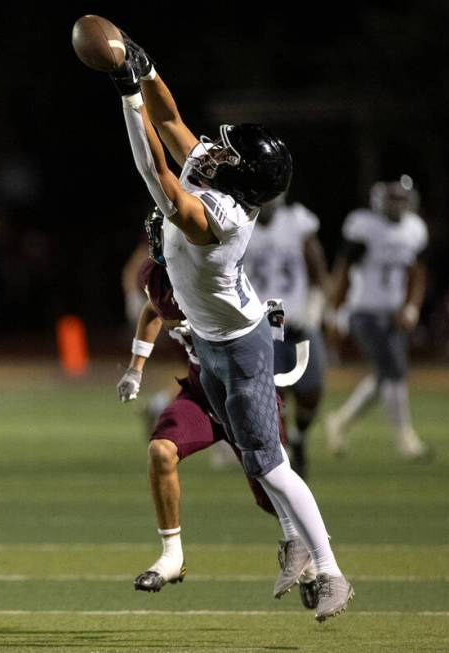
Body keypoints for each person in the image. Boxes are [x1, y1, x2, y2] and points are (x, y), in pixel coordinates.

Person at [98, 30, 353, 621]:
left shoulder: (221, 216)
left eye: (228, 154)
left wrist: (128, 97)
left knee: (271, 463)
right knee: (245, 448)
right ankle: (291, 541)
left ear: (242, 180)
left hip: (242, 347)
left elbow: (154, 170)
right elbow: (176, 120)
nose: (216, 151)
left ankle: (332, 570)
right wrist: (146, 67)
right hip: (210, 343)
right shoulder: (221, 181)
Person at [117, 221, 320, 609]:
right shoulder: (157, 276)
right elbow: (153, 307)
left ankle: (312, 561)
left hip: (245, 388)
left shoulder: (214, 267)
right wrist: (136, 366)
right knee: (161, 451)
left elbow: (258, 322)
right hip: (202, 388)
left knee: (272, 491)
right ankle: (172, 555)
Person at [325, 175, 431, 460]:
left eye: (401, 198)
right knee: (394, 371)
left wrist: (412, 307)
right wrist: (334, 314)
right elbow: (343, 271)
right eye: (392, 198)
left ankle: (340, 421)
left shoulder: (414, 230)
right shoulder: (364, 226)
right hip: (364, 311)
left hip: (394, 313)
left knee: (387, 375)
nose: (397, 204)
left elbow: (417, 275)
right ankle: (405, 437)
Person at [243, 194, 329, 477]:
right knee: (271, 395)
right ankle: (282, 452)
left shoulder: (297, 222)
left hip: (296, 315)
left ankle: (299, 436)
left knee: (312, 391)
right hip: (261, 316)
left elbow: (317, 269)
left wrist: (314, 309)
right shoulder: (241, 222)